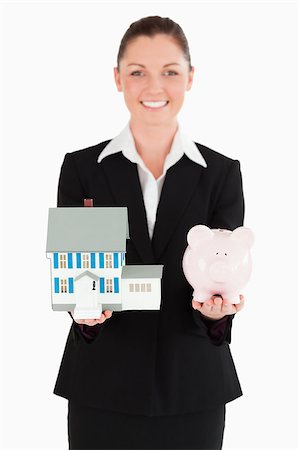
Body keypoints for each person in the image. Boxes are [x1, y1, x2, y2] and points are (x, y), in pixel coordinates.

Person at [54, 15, 245, 450]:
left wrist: (218, 313)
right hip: (102, 384)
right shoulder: (82, 169)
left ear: (191, 78)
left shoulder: (220, 174)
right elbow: (74, 267)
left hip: (193, 384)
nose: (154, 87)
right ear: (117, 79)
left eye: (170, 72)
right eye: (137, 72)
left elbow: (223, 272)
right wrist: (84, 316)